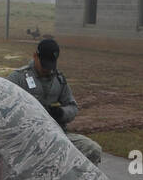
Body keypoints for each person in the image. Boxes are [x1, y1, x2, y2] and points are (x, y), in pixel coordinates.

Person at [8, 37, 102, 166]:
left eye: (51, 65)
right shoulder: (18, 78)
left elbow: (72, 106)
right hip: (26, 137)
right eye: (44, 64)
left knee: (92, 149)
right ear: (35, 56)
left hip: (56, 135)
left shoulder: (59, 80)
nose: (47, 69)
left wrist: (61, 113)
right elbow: (4, 107)